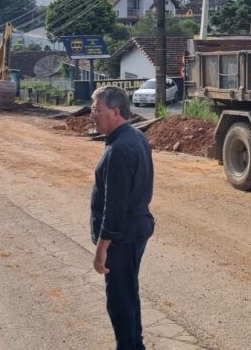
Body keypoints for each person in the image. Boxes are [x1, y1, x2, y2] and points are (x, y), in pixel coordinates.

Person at [89, 86, 155, 350]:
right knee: (128, 294)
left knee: (120, 301)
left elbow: (115, 207)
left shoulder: (119, 149)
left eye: (96, 109)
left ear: (115, 112)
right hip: (135, 231)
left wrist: (101, 248)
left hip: (121, 238)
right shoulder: (136, 137)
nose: (92, 115)